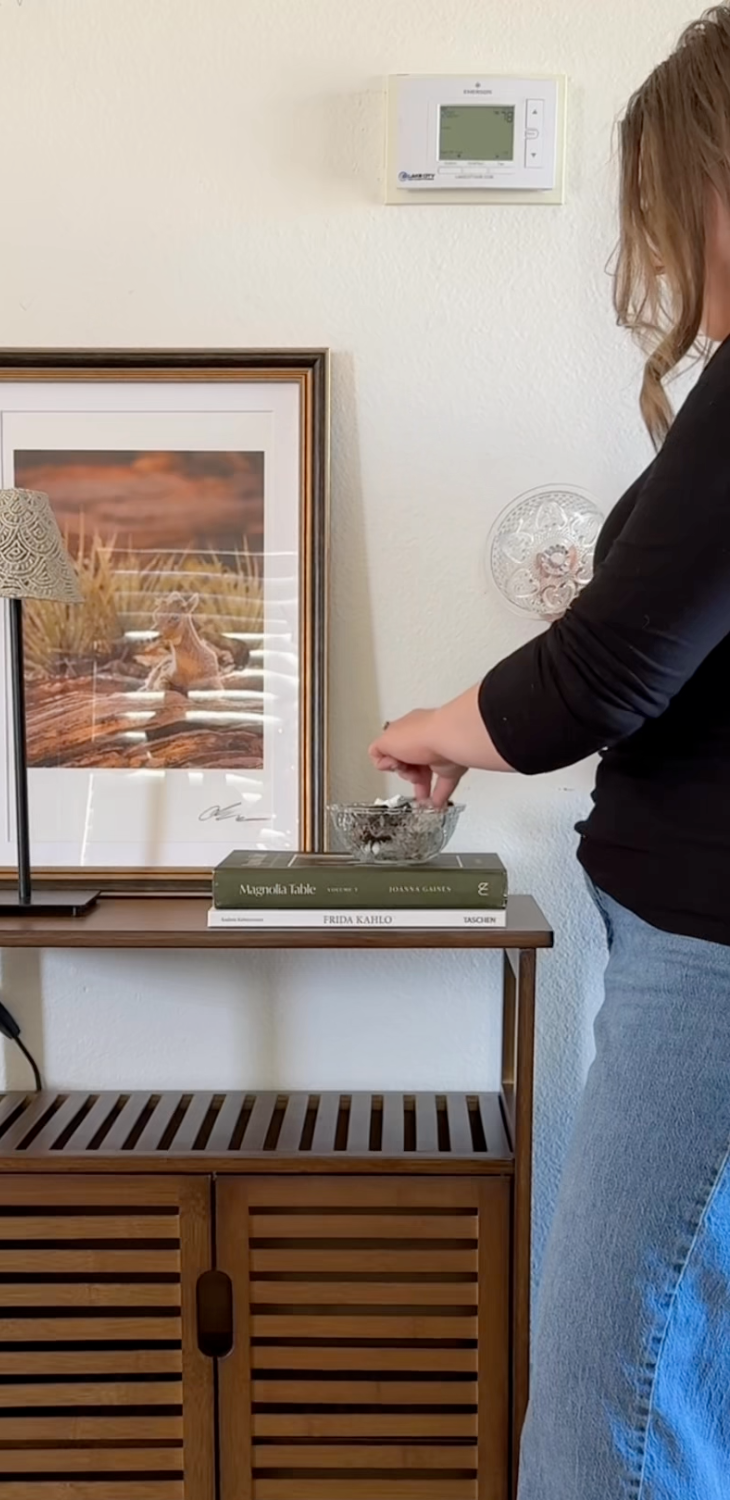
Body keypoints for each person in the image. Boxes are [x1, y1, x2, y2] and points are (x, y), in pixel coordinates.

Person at [368, 9, 730, 1498]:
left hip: (710, 967)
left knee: (604, 1417)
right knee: (667, 1382)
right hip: (691, 952)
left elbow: (612, 664)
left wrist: (432, 729)